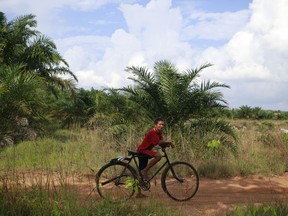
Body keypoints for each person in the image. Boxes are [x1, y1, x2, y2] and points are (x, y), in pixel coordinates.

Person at [135, 117, 174, 198]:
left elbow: (161, 142)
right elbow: (158, 142)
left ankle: (139, 193)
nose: (162, 126)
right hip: (143, 150)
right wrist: (169, 142)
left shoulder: (159, 132)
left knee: (141, 173)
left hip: (147, 150)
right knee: (158, 156)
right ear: (155, 125)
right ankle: (145, 170)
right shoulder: (152, 132)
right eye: (160, 124)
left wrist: (167, 144)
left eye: (163, 124)